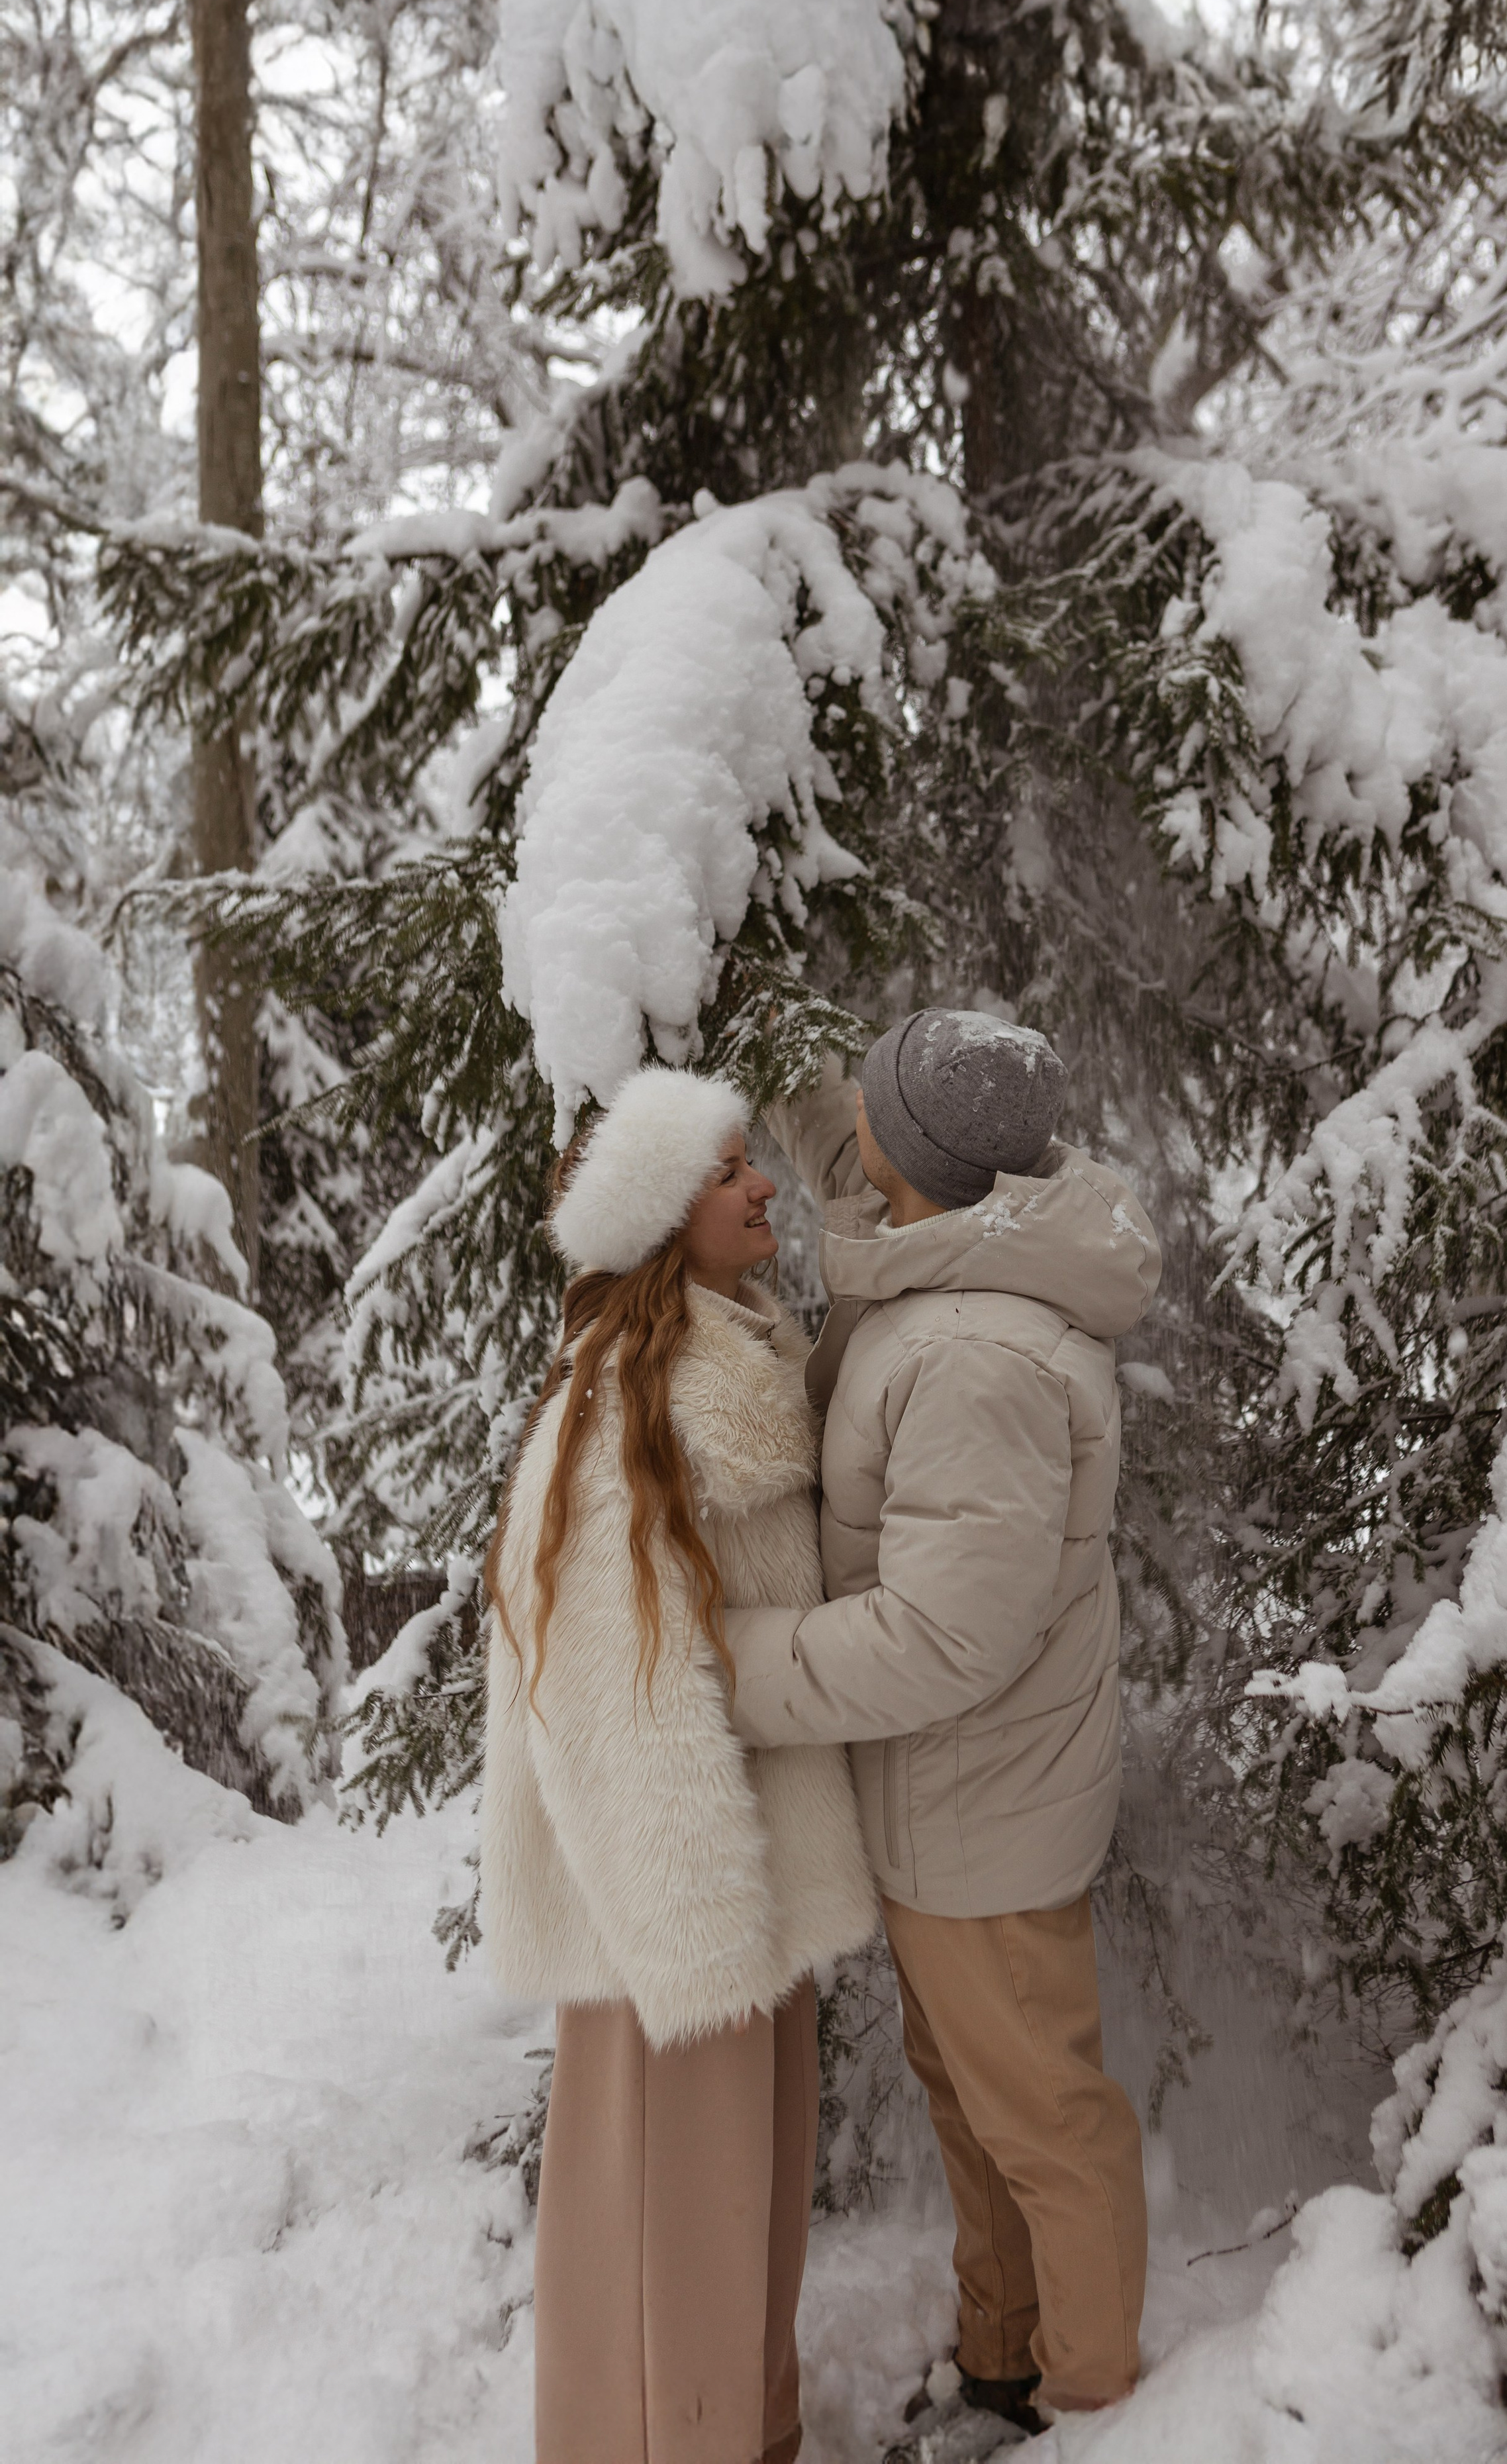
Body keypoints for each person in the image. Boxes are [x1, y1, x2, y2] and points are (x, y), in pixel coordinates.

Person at [722, 1011, 1161, 2457]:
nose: (850, 1140)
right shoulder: (945, 1242)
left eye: (871, 1119)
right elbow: (847, 1140)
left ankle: (1092, 2408)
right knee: (976, 2107)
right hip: (944, 1805)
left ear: (915, 1161)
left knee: (1037, 2119)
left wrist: (727, 1670)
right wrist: (742, 1010)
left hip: (983, 1809)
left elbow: (942, 1640)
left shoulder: (976, 1356)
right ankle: (1001, 2372)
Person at [480, 1066, 876, 2464]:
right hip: (675, 1923)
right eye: (725, 1172)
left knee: (734, 2235)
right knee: (671, 2239)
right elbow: (604, 1687)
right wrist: (693, 1935)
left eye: (749, 1161)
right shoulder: (624, 1405)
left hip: (740, 1901)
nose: (761, 1182)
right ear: (663, 1220)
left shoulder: (724, 1368)